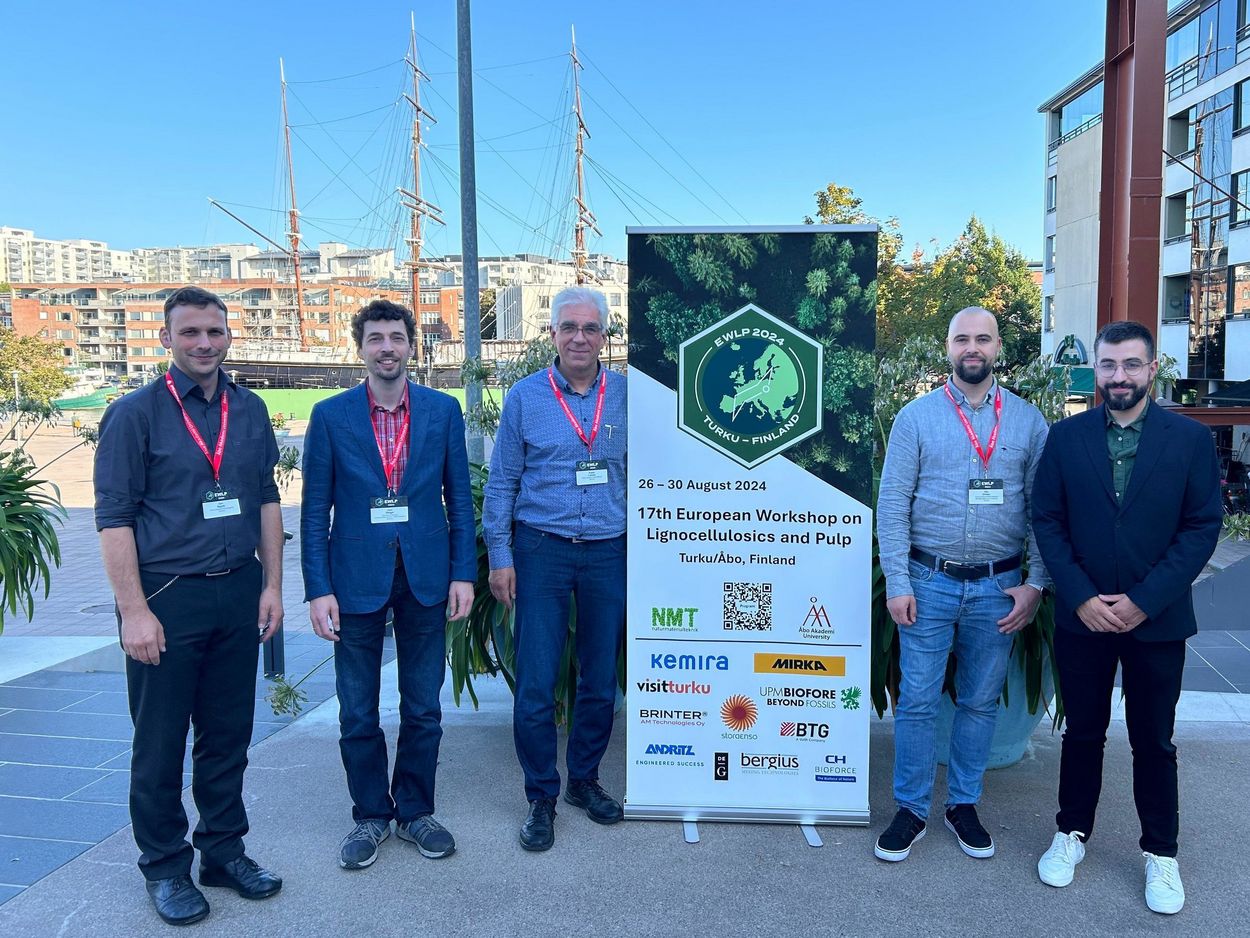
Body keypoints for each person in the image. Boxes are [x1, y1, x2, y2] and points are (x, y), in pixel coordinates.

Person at [94, 286, 284, 927]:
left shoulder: (250, 409)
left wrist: (273, 586)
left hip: (237, 590)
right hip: (166, 598)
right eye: (191, 333)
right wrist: (134, 611)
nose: (204, 343)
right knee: (159, 743)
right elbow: (115, 520)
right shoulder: (134, 415)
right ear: (168, 339)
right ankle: (166, 867)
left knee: (228, 737)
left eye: (215, 332)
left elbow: (265, 500)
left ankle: (223, 853)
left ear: (229, 334)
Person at [1031, 320, 1221, 915]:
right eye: (1108, 365)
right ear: (1098, 370)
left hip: (1157, 619)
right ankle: (1071, 834)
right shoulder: (1065, 439)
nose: (1119, 376)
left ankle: (1160, 853)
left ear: (1151, 367)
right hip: (1081, 616)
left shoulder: (1189, 441)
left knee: (1153, 741)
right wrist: (1082, 596)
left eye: (1131, 365)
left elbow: (1201, 528)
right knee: (1082, 732)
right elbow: (1048, 522)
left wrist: (1143, 599)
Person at [301, 299, 475, 869]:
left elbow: (460, 499)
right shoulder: (330, 416)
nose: (387, 347)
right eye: (375, 338)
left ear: (410, 346)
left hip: (426, 575)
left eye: (396, 337)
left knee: (423, 706)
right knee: (357, 708)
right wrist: (317, 587)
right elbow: (314, 510)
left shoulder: (443, 411)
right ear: (361, 348)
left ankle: (417, 812)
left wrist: (462, 573)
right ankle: (370, 815)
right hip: (353, 579)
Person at [874, 306, 1049, 862]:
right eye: (961, 339)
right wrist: (897, 581)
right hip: (929, 582)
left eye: (983, 338)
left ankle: (963, 804)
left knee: (978, 702)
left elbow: (1045, 510)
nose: (972, 348)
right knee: (919, 701)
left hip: (1000, 588)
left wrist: (1036, 584)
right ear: (947, 347)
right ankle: (911, 809)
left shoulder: (1027, 421)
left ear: (999, 347)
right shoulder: (916, 418)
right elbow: (892, 504)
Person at [482, 285, 627, 851]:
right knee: (537, 681)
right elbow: (501, 483)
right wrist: (500, 556)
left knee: (598, 678)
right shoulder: (525, 397)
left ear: (604, 336)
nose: (580, 338)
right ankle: (540, 794)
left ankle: (583, 781)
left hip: (608, 549)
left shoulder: (627, 396)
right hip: (540, 549)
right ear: (552, 334)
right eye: (569, 327)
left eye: (591, 328)